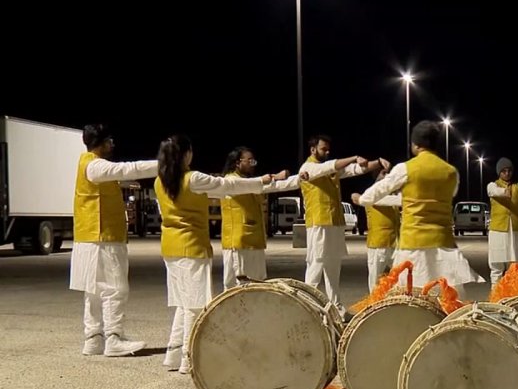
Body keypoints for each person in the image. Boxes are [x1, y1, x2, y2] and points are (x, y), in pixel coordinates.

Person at [154, 135, 289, 374]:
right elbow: (228, 186)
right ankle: (189, 358)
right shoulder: (192, 178)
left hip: (170, 248)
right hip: (192, 247)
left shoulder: (159, 181)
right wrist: (265, 180)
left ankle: (173, 355)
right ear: (185, 154)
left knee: (182, 304)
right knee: (194, 306)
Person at [359, 120, 483, 292]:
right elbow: (451, 194)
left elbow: (367, 198)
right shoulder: (451, 172)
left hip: (413, 246)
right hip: (444, 245)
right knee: (446, 298)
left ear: (415, 145)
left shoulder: (405, 169)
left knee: (413, 298)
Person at [70, 124, 157, 357]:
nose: (113, 144)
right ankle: (114, 338)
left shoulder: (86, 163)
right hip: (104, 236)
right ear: (101, 142)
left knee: (94, 291)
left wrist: (122, 185)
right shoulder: (96, 165)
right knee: (115, 288)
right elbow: (128, 168)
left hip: (88, 236)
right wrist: (165, 164)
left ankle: (93, 339)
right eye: (110, 140)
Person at [298, 135, 386, 315]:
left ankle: (336, 307)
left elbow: (354, 170)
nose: (327, 151)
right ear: (313, 150)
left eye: (328, 149)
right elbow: (330, 166)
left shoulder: (331, 171)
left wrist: (377, 162)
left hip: (334, 223)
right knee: (316, 265)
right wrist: (354, 157)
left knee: (333, 266)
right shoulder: (308, 168)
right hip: (319, 224)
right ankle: (305, 307)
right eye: (324, 149)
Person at [219, 146, 302, 290]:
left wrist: (300, 179)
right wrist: (274, 176)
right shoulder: (230, 180)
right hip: (238, 243)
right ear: (238, 163)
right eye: (249, 161)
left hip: (254, 241)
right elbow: (252, 184)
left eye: (253, 161)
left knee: (257, 283)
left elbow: (274, 186)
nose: (253, 164)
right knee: (239, 286)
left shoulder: (251, 183)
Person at [486, 157, 518, 285]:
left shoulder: (516, 186)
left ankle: (514, 292)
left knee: (515, 265)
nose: (507, 173)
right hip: (498, 231)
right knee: (497, 265)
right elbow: (494, 192)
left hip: (514, 231)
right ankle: (495, 295)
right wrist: (504, 191)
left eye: (509, 170)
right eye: (504, 171)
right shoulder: (492, 185)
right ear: (499, 172)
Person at [352, 167, 404, 291]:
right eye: (383, 174)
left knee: (396, 279)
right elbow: (358, 197)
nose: (387, 177)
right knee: (375, 281)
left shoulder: (393, 199)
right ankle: (374, 306)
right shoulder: (371, 196)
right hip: (379, 244)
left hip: (395, 244)